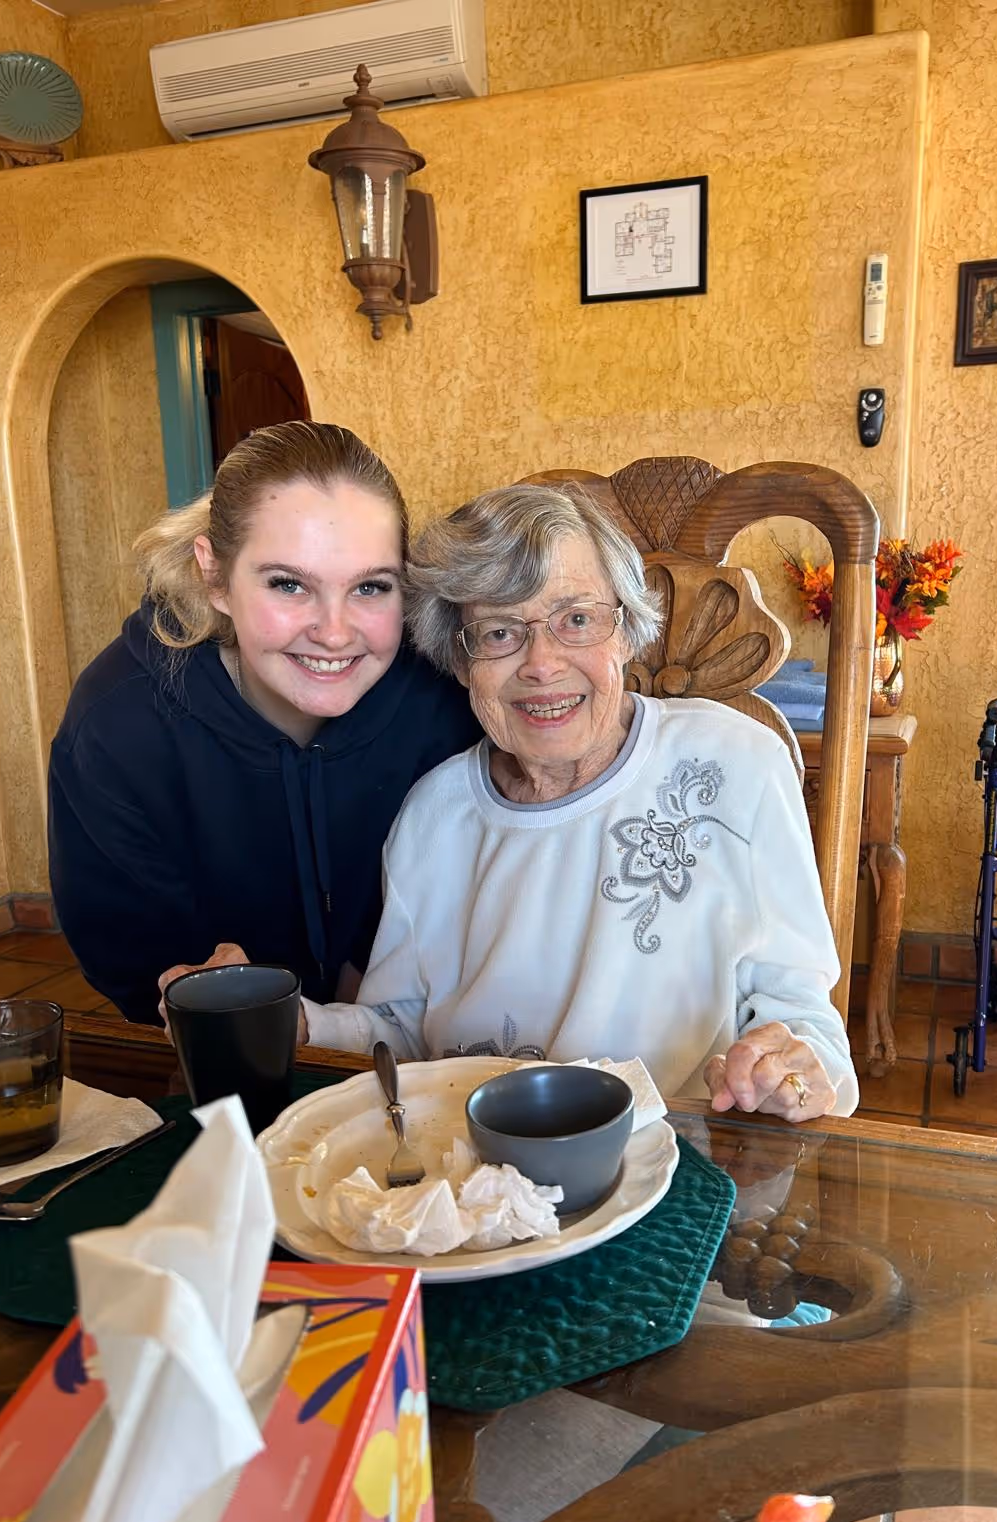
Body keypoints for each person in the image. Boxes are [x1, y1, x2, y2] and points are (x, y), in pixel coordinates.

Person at [166, 482, 857, 1119]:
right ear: (461, 660)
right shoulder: (433, 816)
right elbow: (400, 1030)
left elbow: (806, 1024)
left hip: (671, 1177)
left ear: (624, 629)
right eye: (500, 632)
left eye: (576, 619)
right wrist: (295, 1024)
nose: (542, 663)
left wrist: (791, 1069)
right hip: (470, 1184)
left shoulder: (736, 765)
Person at [49, 421, 480, 1025]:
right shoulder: (120, 721)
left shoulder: (438, 693)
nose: (334, 631)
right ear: (214, 575)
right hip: (223, 1050)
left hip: (411, 1039)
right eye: (288, 584)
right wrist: (202, 987)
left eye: (370, 587)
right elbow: (127, 948)